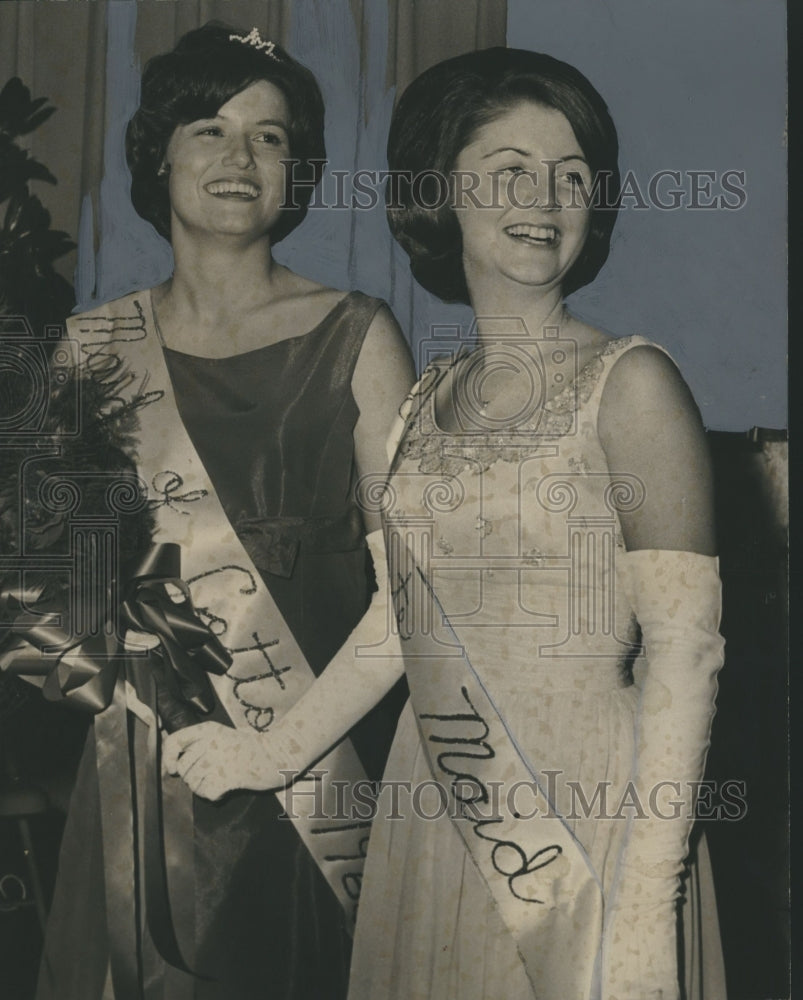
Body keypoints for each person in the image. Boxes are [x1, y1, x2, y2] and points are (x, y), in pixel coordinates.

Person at [166, 46, 727, 1000]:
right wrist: (267, 753)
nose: (542, 199)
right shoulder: (426, 400)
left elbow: (685, 657)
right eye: (508, 170)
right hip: (433, 808)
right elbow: (403, 625)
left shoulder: (631, 386)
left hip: (586, 824)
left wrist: (641, 911)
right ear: (441, 193)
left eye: (569, 176)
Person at [35, 21, 414, 1000]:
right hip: (146, 772)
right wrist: (122, 694)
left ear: (299, 171)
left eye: (272, 136)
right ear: (156, 153)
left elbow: (413, 595)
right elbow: (56, 595)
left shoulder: (356, 336)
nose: (241, 156)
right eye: (209, 126)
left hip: (316, 775)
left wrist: (274, 747)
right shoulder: (89, 346)